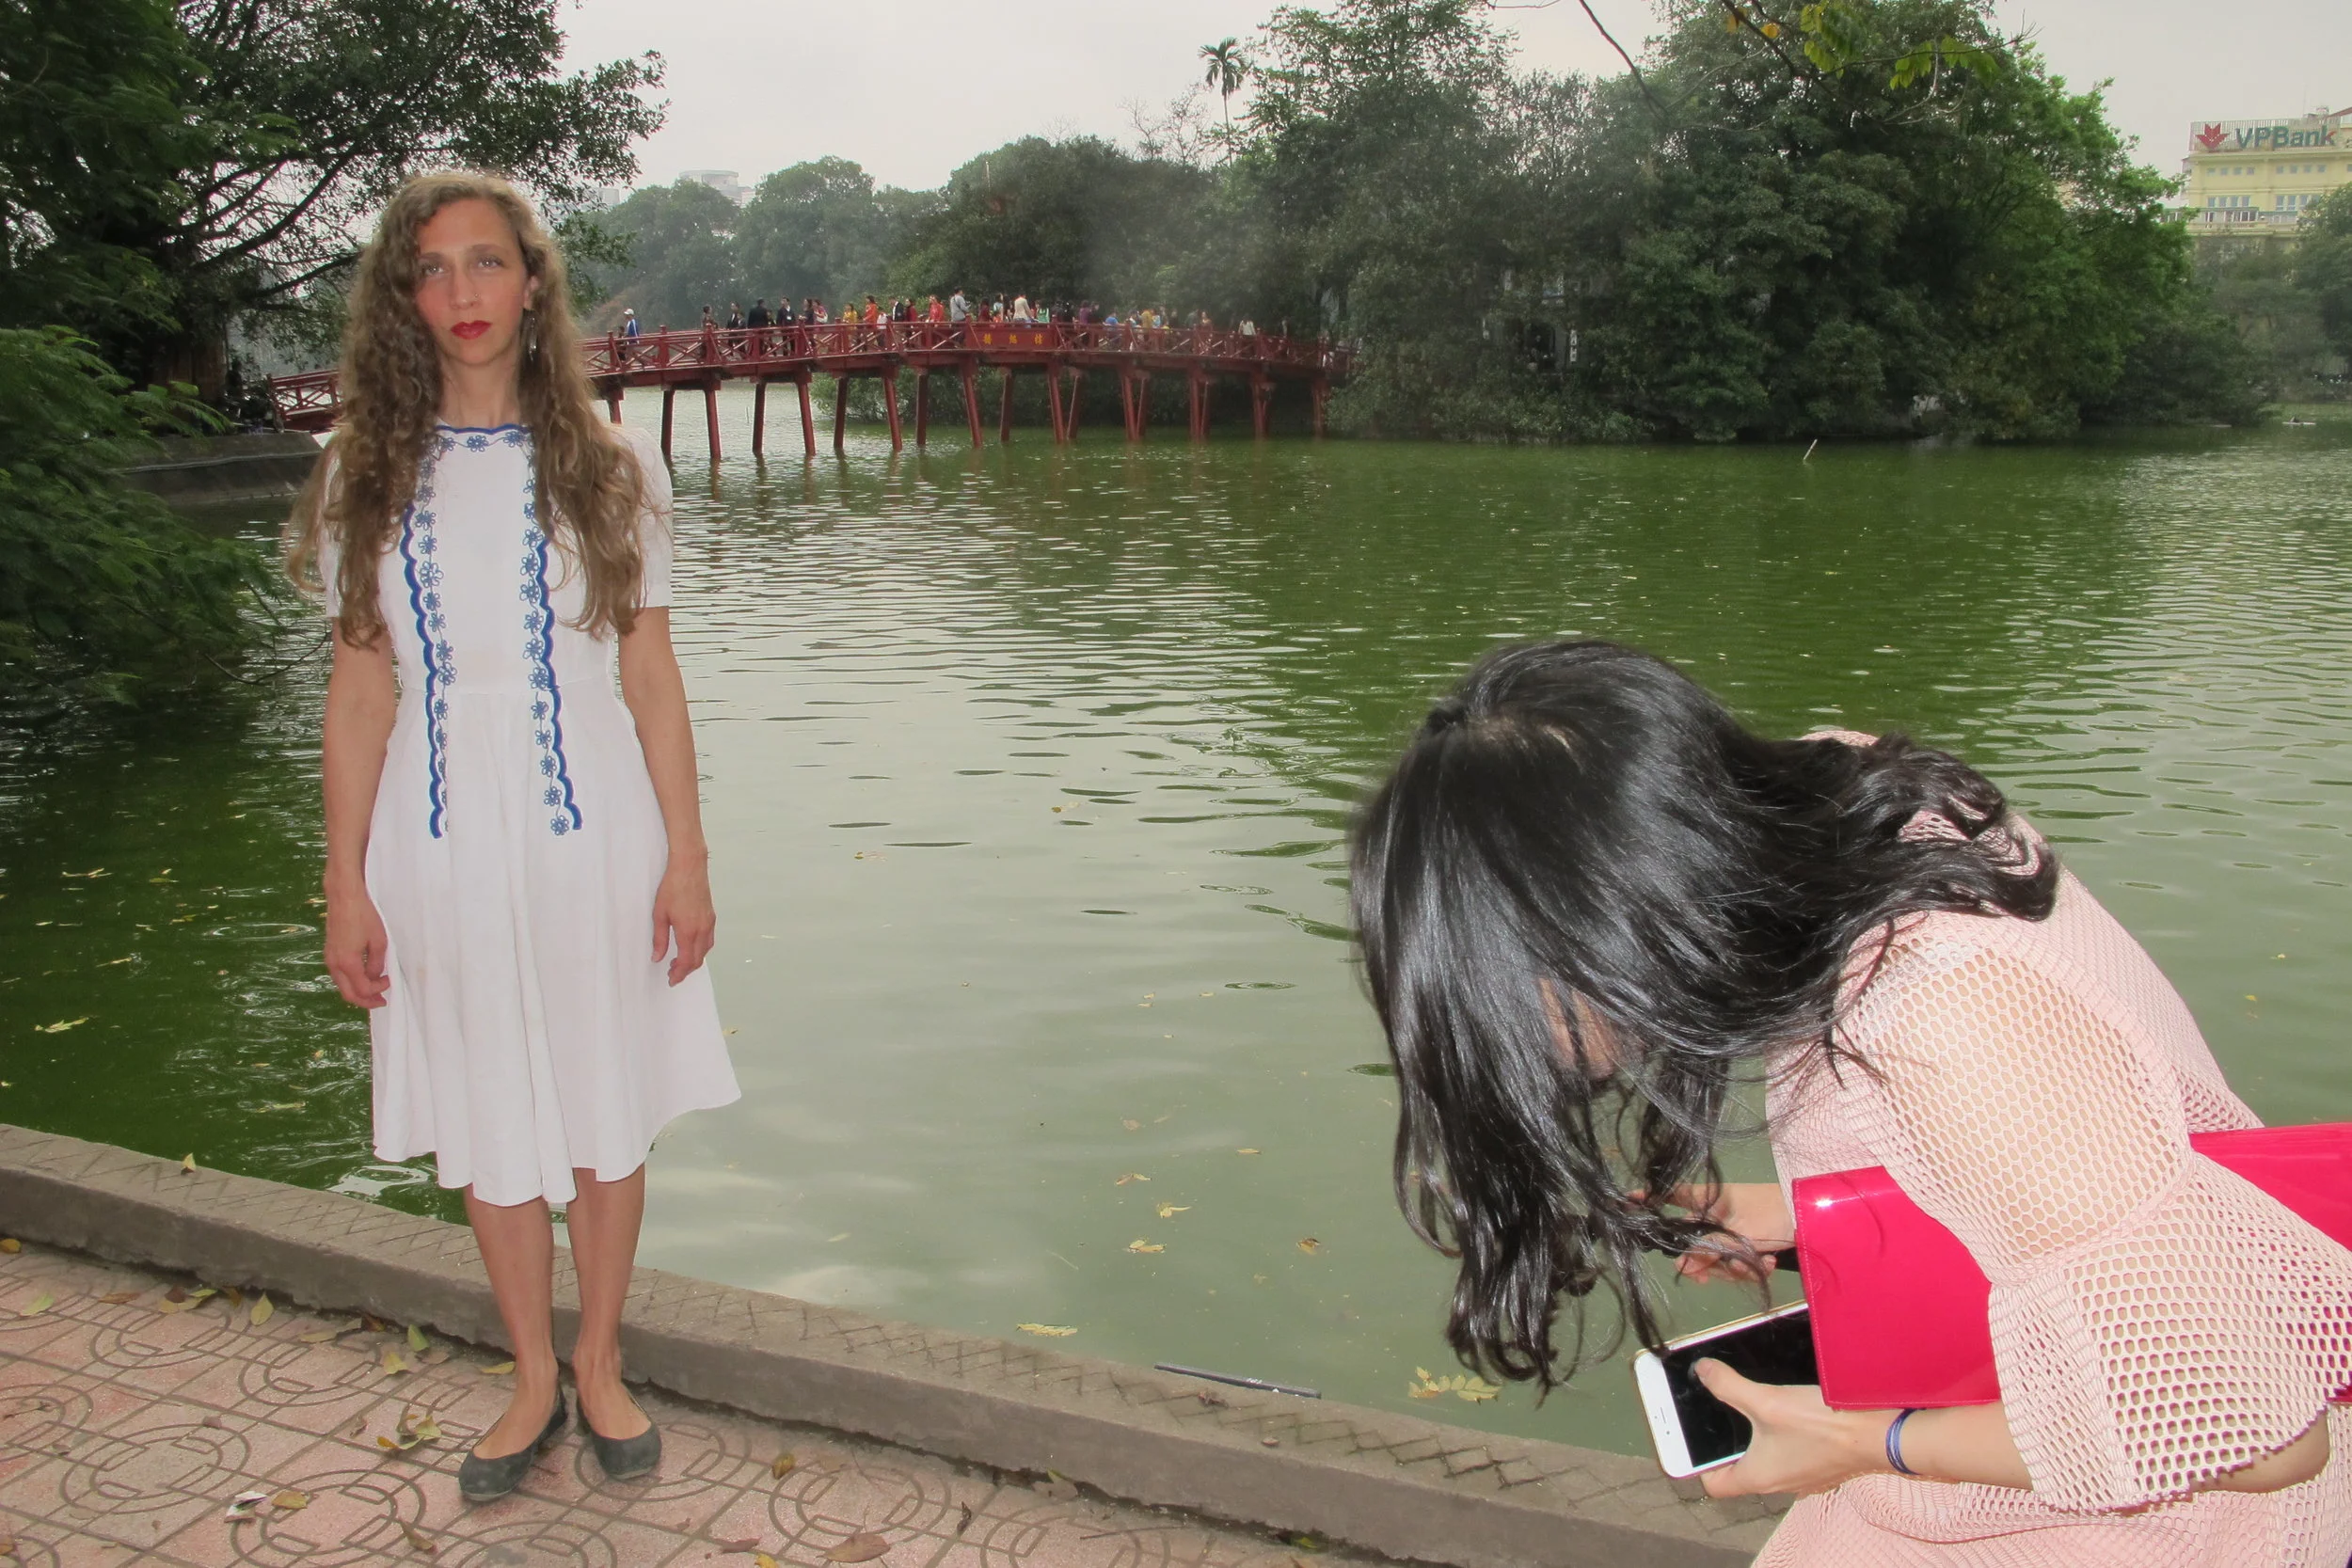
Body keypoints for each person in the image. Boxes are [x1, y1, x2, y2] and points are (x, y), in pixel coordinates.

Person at [1347, 641, 2351, 1567]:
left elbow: (2255, 1427)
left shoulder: (1949, 1011)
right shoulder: (1833, 812)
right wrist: (1795, 1219)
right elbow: (2053, 1147)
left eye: (1494, 1002)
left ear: (1604, 926)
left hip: (2146, 1527)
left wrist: (1855, 1438)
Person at [287, 171, 738, 1504]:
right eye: (435, 270)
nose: (465, 294)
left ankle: (602, 1359)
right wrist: (344, 882)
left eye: (489, 264)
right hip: (437, 832)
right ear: (402, 298)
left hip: (591, 816)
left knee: (602, 1097)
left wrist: (690, 852)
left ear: (533, 283)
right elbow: (361, 690)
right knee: (486, 1103)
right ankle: (530, 1372)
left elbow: (651, 674)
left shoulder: (610, 459)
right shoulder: (361, 470)